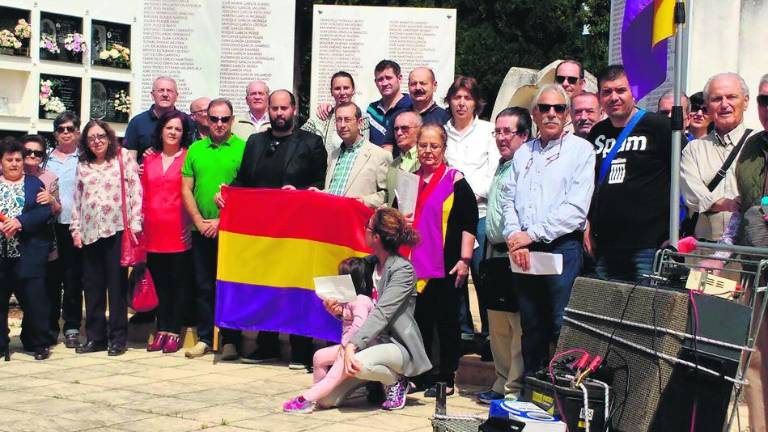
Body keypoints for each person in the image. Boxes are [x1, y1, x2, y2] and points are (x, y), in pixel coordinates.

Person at [219, 89, 327, 368]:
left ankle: (301, 349)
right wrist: (227, 195)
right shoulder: (255, 142)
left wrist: (299, 193)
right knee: (265, 287)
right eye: (274, 109)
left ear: (294, 109)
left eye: (284, 108)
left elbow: (320, 185)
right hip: (262, 234)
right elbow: (243, 181)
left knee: (295, 289)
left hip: (297, 233)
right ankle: (266, 345)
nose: (279, 114)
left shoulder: (312, 143)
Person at [503, 85, 595, 376]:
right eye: (545, 108)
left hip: (560, 247)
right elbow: (507, 198)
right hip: (524, 249)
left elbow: (576, 209)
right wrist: (515, 237)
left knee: (560, 322)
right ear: (534, 114)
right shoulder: (523, 152)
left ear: (567, 114)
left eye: (558, 108)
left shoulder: (581, 150)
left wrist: (532, 234)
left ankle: (560, 394)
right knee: (530, 323)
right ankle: (530, 389)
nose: (551, 114)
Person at [702, 72, 768, 432]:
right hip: (757, 269)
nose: (766, 107)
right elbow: (743, 211)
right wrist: (721, 254)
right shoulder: (753, 149)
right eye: (763, 100)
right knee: (755, 361)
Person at [316, 208, 431, 410]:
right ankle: (373, 380)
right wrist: (338, 311)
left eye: (367, 227)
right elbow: (357, 309)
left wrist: (351, 345)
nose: (365, 230)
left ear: (376, 237)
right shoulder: (368, 265)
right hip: (368, 343)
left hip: (396, 345)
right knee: (326, 400)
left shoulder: (402, 270)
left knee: (359, 362)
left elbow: (381, 314)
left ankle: (396, 381)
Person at [408, 123, 478, 397]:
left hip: (446, 264)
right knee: (420, 323)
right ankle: (423, 375)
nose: (427, 151)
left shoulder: (455, 180)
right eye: (423, 145)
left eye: (434, 146)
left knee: (447, 323)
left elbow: (469, 221)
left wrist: (465, 259)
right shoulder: (410, 180)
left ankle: (446, 377)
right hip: (415, 267)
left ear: (444, 149)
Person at [587, 65, 672, 282]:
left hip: (646, 244)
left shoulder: (659, 127)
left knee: (641, 312)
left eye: (620, 90)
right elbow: (589, 185)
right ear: (599, 97)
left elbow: (678, 181)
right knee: (606, 312)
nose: (613, 97)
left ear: (633, 91)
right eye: (607, 92)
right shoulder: (597, 133)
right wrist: (587, 225)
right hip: (605, 244)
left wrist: (673, 232)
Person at [182, 98, 246, 360]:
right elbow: (186, 188)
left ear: (232, 120)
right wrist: (198, 221)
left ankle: (231, 340)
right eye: (214, 118)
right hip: (201, 230)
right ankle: (206, 338)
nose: (219, 124)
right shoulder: (195, 149)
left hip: (232, 231)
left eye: (224, 119)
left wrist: (223, 221)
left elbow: (248, 190)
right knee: (204, 286)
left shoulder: (244, 147)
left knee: (231, 286)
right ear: (206, 120)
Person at [71, 120, 142, 356]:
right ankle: (95, 337)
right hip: (91, 232)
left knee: (116, 286)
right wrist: (76, 229)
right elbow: (77, 199)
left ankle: (118, 338)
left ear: (109, 137)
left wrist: (135, 223)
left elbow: (135, 191)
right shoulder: (83, 164)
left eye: (101, 136)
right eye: (91, 138)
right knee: (92, 287)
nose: (97, 141)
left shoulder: (122, 159)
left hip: (116, 230)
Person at [475, 107, 531, 404]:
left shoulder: (527, 165)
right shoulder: (501, 164)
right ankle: (500, 381)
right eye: (497, 131)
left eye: (508, 132)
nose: (501, 138)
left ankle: (513, 388)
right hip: (493, 252)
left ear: (524, 135)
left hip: (517, 253)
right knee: (497, 326)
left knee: (515, 325)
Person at [443, 75, 500, 344]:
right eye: (457, 97)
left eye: (467, 98)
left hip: (482, 213)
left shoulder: (489, 132)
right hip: (452, 216)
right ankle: (463, 331)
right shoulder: (443, 133)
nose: (462, 103)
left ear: (476, 102)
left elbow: (495, 173)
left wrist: (472, 196)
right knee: (455, 273)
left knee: (482, 274)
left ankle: (490, 334)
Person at [283, 257, 375, 413]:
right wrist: (337, 311)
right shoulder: (351, 301)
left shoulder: (362, 301)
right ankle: (318, 392)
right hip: (348, 347)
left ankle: (305, 399)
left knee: (334, 375)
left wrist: (346, 346)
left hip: (358, 349)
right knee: (319, 357)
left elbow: (359, 327)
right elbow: (348, 318)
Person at [142, 111, 193, 354]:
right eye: (169, 128)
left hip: (178, 230)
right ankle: (160, 328)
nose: (173, 132)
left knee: (178, 284)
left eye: (178, 129)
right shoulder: (149, 160)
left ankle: (174, 330)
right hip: (152, 231)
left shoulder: (188, 158)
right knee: (158, 283)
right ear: (161, 130)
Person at [681, 73, 753, 242]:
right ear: (707, 105)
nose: (724, 104)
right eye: (716, 99)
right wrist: (725, 204)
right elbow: (691, 194)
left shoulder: (759, 143)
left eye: (731, 97)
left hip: (751, 250)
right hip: (704, 248)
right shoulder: (694, 149)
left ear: (746, 102)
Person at [0, 138, 53, 361]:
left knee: (34, 301)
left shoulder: (33, 184)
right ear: (1, 162)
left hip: (29, 253)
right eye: (9, 159)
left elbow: (44, 212)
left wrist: (20, 222)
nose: (14, 164)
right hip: (2, 255)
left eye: (18, 159)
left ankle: (37, 342)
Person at [44, 111, 83, 348]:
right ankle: (50, 327)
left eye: (70, 128)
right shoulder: (45, 159)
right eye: (61, 129)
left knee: (73, 279)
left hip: (75, 226)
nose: (66, 133)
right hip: (50, 227)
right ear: (55, 133)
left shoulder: (85, 158)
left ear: (77, 131)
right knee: (51, 279)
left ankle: (71, 326)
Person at [20, 135, 61, 346]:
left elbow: (57, 209)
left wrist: (51, 199)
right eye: (28, 152)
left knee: (40, 291)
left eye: (38, 153)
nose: (32, 156)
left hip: (41, 241)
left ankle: (38, 336)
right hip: (12, 241)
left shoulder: (49, 177)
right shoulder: (6, 174)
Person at [323, 102, 392, 209]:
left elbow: (388, 195)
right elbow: (335, 189)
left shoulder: (379, 155)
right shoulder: (333, 155)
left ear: (359, 123)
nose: (342, 125)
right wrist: (320, 193)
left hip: (359, 221)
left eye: (347, 119)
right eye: (339, 120)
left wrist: (365, 201)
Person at [124, 76, 195, 162]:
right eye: (161, 90)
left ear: (176, 96)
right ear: (152, 95)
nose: (165, 94)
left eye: (169, 91)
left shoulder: (187, 122)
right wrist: (136, 169)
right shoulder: (137, 122)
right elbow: (130, 157)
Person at [302, 71, 370, 156]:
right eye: (337, 88)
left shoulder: (363, 118)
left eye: (346, 88)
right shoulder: (321, 117)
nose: (342, 92)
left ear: (353, 90)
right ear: (331, 92)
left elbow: (365, 150)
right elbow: (299, 139)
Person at [367, 60, 413, 151]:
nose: (384, 83)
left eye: (388, 78)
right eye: (380, 79)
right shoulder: (371, 109)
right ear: (375, 82)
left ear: (399, 78)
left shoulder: (411, 106)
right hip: (376, 163)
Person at [386, 111, 422, 206]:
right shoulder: (393, 164)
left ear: (420, 130)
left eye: (404, 128)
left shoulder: (428, 159)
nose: (399, 133)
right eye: (396, 129)